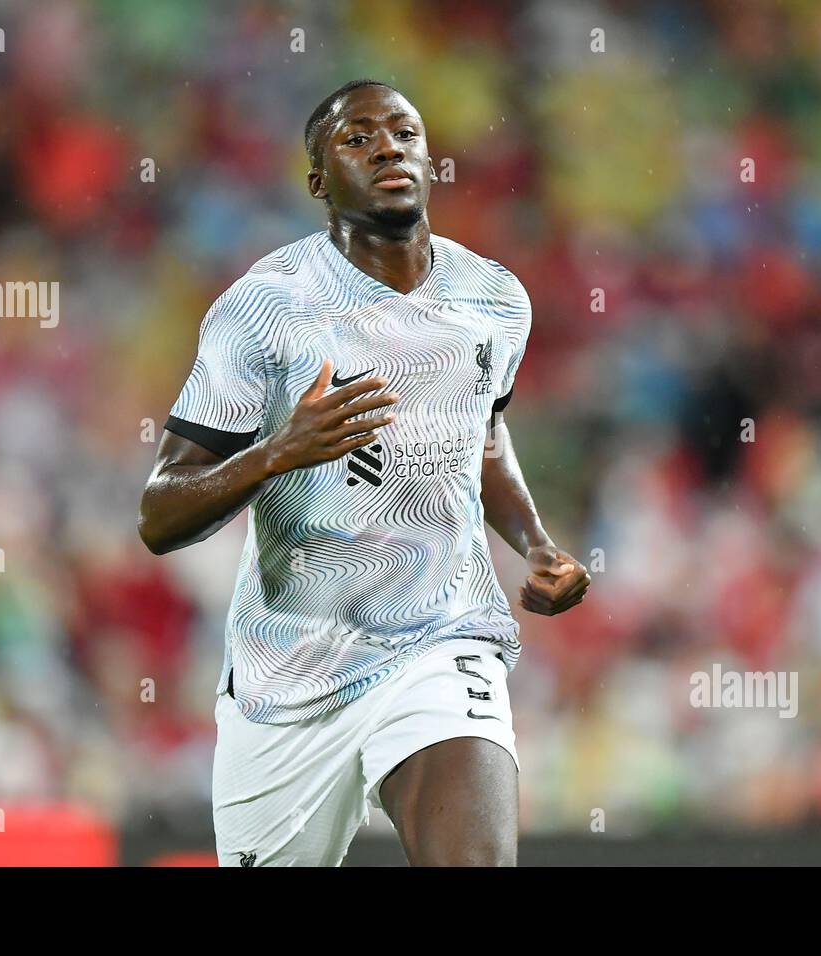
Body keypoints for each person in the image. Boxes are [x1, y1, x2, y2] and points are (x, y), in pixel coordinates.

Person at [138, 79, 590, 866]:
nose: (388, 147)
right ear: (318, 180)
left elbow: (479, 430)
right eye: (358, 138)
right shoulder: (264, 309)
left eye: (406, 133)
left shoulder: (493, 299)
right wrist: (279, 450)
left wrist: (534, 539)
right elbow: (159, 515)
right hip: (292, 673)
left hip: (442, 638)